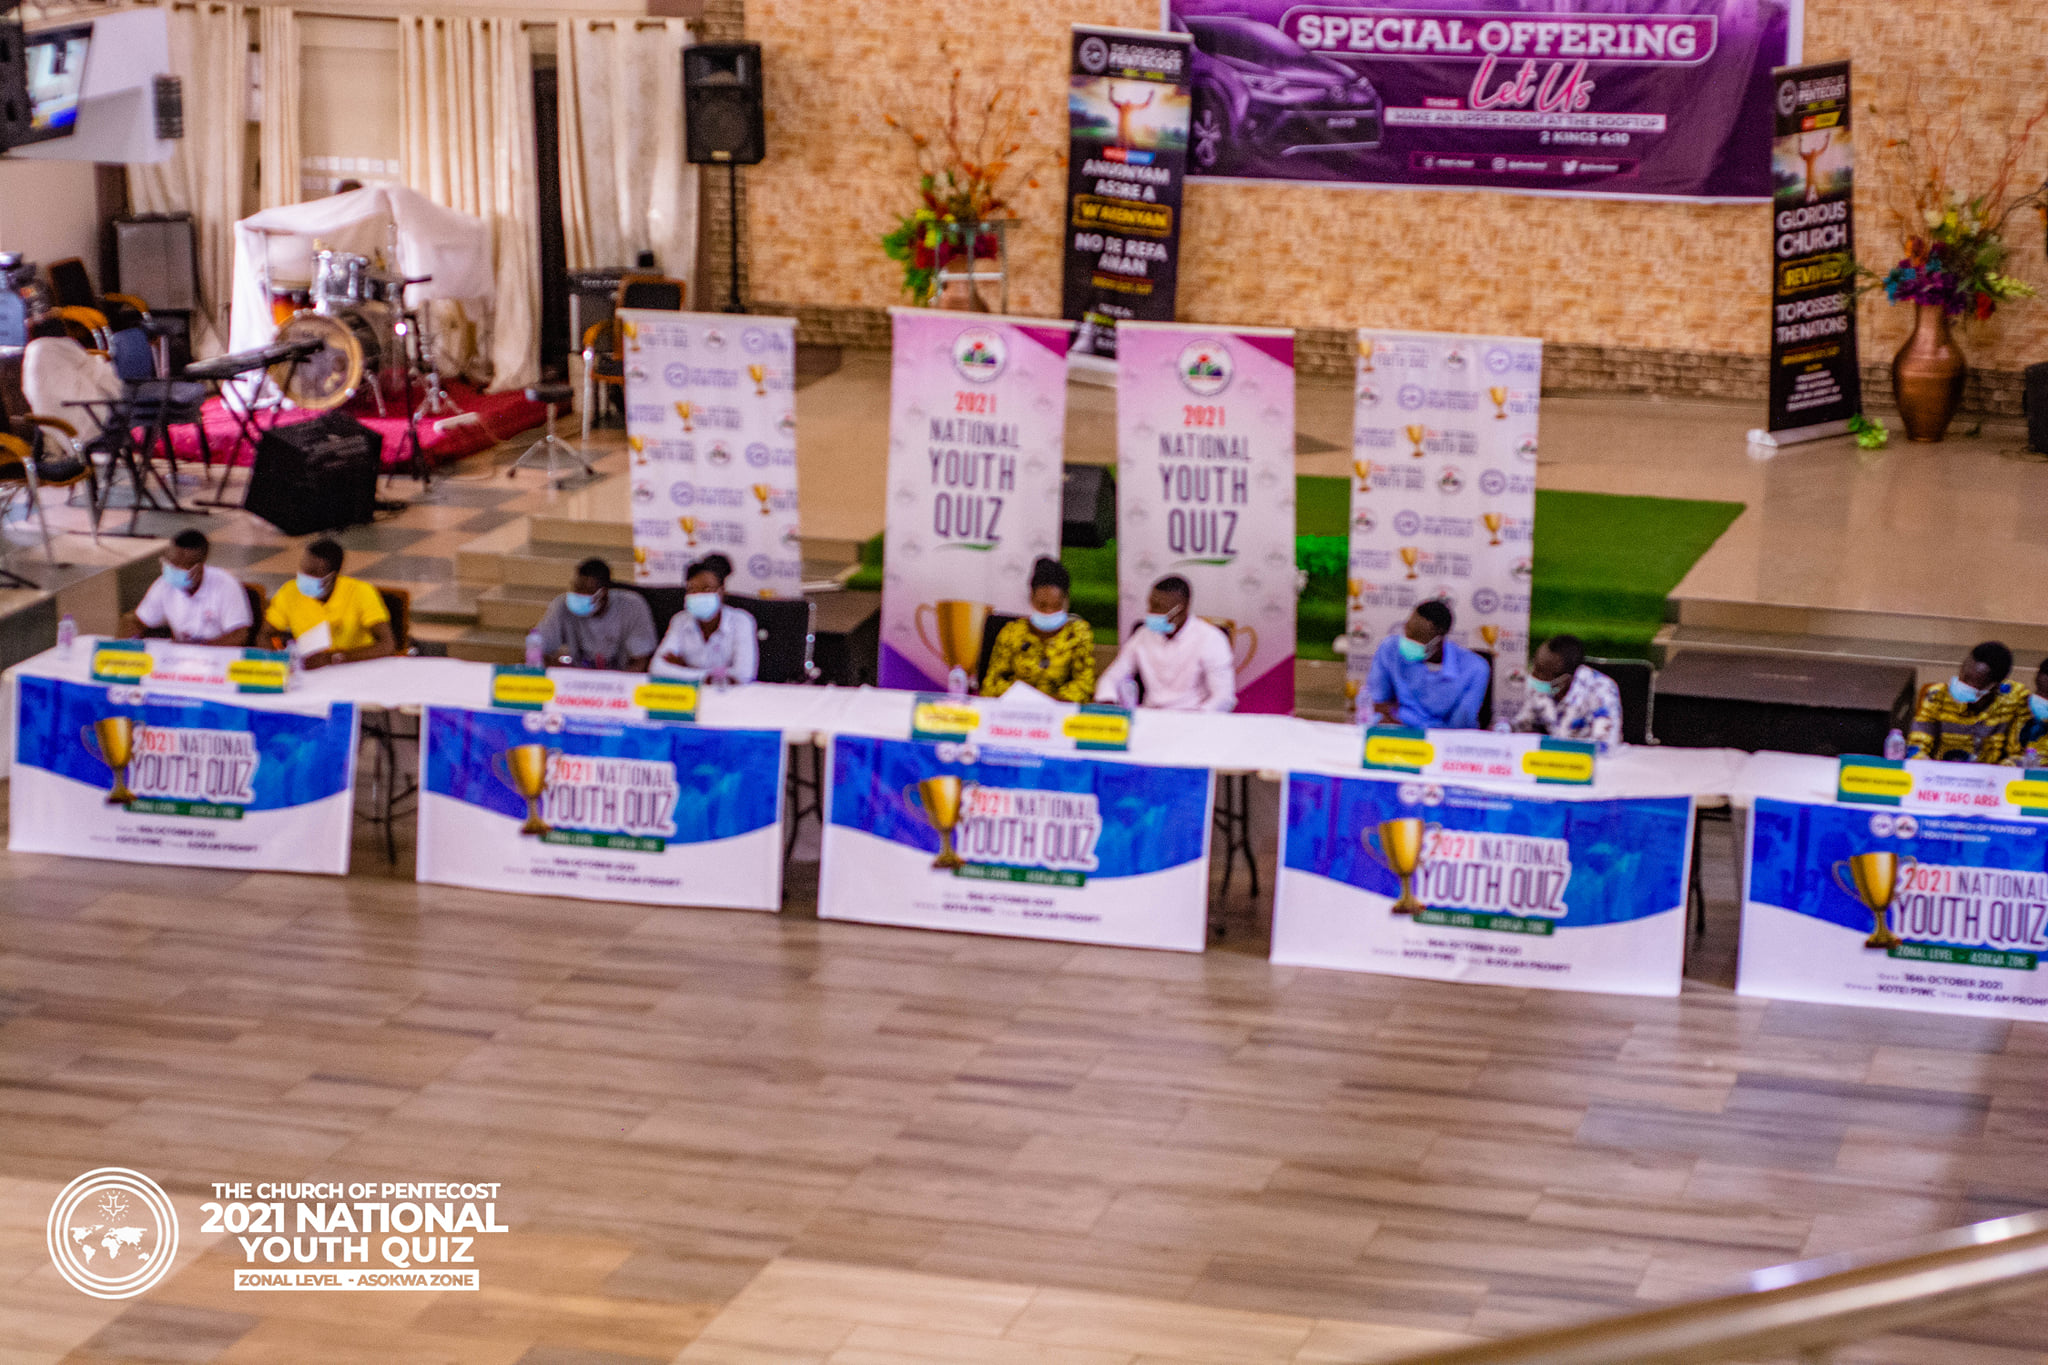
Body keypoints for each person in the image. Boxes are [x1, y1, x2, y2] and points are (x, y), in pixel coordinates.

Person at [1094, 575, 1235, 712]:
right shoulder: (1144, 634)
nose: (1150, 612)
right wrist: (1107, 701)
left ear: (1181, 609)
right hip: (1150, 714)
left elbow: (1223, 697)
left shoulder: (1211, 639)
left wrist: (1198, 717)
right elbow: (1113, 676)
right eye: (1150, 605)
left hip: (1193, 715)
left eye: (1158, 607)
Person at [263, 537, 396, 669]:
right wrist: (275, 665)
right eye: (304, 569)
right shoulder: (289, 592)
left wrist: (333, 658)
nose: (305, 577)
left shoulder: (361, 592)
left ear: (331, 576)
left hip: (357, 667)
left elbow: (387, 644)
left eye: (313, 572)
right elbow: (264, 634)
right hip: (309, 672)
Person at [982, 557, 1096, 702]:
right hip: (1015, 708)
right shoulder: (1012, 632)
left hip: (1060, 709)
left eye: (1056, 605)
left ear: (1066, 601)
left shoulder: (1077, 634)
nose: (1048, 611)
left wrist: (1051, 701)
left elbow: (1084, 685)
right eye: (1042, 605)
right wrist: (1026, 699)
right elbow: (991, 683)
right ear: (1031, 598)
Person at [1365, 600, 1488, 729]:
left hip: (1443, 738)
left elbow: (1458, 726)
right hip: (1398, 732)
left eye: (1418, 637)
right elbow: (1378, 703)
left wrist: (1417, 731)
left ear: (1438, 639)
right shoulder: (1390, 649)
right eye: (1408, 631)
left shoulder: (1475, 668)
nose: (1410, 641)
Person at [1907, 641, 2030, 764]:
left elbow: (2019, 755)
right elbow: (1917, 744)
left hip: (1993, 773)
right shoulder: (1937, 695)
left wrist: (2000, 770)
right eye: (1963, 675)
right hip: (1943, 771)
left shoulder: (2015, 699)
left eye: (1971, 681)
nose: (1962, 684)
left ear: (1994, 687)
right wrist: (1921, 760)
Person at [128, 529, 252, 646]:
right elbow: (136, 621)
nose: (173, 569)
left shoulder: (226, 585)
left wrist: (199, 649)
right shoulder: (164, 584)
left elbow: (239, 635)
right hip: (178, 655)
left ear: (199, 568)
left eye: (181, 566)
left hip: (218, 655)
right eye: (171, 562)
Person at [651, 553, 758, 684]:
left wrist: (686, 668)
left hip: (730, 695)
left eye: (707, 589)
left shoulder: (741, 621)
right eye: (692, 590)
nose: (698, 595)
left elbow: (743, 675)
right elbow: (657, 668)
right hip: (689, 694)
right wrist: (709, 677)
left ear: (721, 591)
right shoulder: (680, 620)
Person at [1511, 633, 1623, 754]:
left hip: (1589, 760)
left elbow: (1604, 746)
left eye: (1543, 673)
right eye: (1535, 667)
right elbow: (1522, 725)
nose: (1535, 676)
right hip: (1551, 758)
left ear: (1564, 679)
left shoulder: (1601, 690)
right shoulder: (1540, 688)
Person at [535, 558, 655, 671]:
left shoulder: (632, 606)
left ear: (603, 593)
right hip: (573, 679)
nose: (579, 595)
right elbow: (536, 648)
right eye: (576, 588)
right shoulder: (562, 605)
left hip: (620, 679)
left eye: (586, 591)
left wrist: (618, 683)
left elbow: (641, 661)